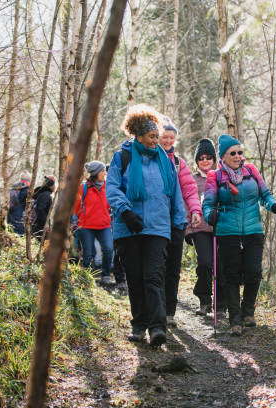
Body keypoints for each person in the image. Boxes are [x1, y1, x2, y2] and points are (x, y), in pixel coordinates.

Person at [106, 104, 187, 347]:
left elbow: (174, 194)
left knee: (154, 276)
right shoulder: (123, 157)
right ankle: (139, 324)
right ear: (138, 135)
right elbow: (112, 187)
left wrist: (178, 222)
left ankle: (157, 327)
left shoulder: (165, 161)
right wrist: (126, 211)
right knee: (136, 277)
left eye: (157, 136)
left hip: (158, 228)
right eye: (152, 136)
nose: (156, 141)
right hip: (128, 228)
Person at [202, 134, 276, 336]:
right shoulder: (215, 176)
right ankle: (235, 319)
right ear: (223, 156)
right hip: (227, 231)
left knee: (254, 272)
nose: (238, 156)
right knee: (230, 276)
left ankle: (248, 311)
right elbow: (207, 204)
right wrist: (210, 216)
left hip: (253, 230)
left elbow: (265, 196)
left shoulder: (252, 171)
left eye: (240, 152)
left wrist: (275, 206)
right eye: (233, 153)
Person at [159, 118, 202, 327]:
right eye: (164, 137)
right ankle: (156, 310)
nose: (167, 140)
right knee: (156, 267)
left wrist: (194, 210)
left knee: (173, 268)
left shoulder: (178, 163)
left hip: (177, 221)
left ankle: (169, 313)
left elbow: (190, 190)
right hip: (155, 222)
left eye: (171, 137)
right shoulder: (149, 160)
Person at [185, 139, 227, 317]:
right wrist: (187, 230)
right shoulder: (192, 180)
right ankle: (204, 300)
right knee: (204, 263)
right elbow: (187, 204)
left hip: (221, 228)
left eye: (208, 157)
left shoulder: (222, 177)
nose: (205, 161)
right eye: (201, 158)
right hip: (199, 227)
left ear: (214, 159)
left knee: (221, 266)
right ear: (197, 161)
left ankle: (221, 305)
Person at [74, 161, 114, 286]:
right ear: (96, 173)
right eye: (102, 171)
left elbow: (110, 204)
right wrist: (82, 218)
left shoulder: (108, 187)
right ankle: (84, 277)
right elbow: (76, 206)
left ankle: (106, 275)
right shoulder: (83, 187)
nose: (105, 173)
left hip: (104, 225)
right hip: (86, 226)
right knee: (88, 253)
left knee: (108, 249)